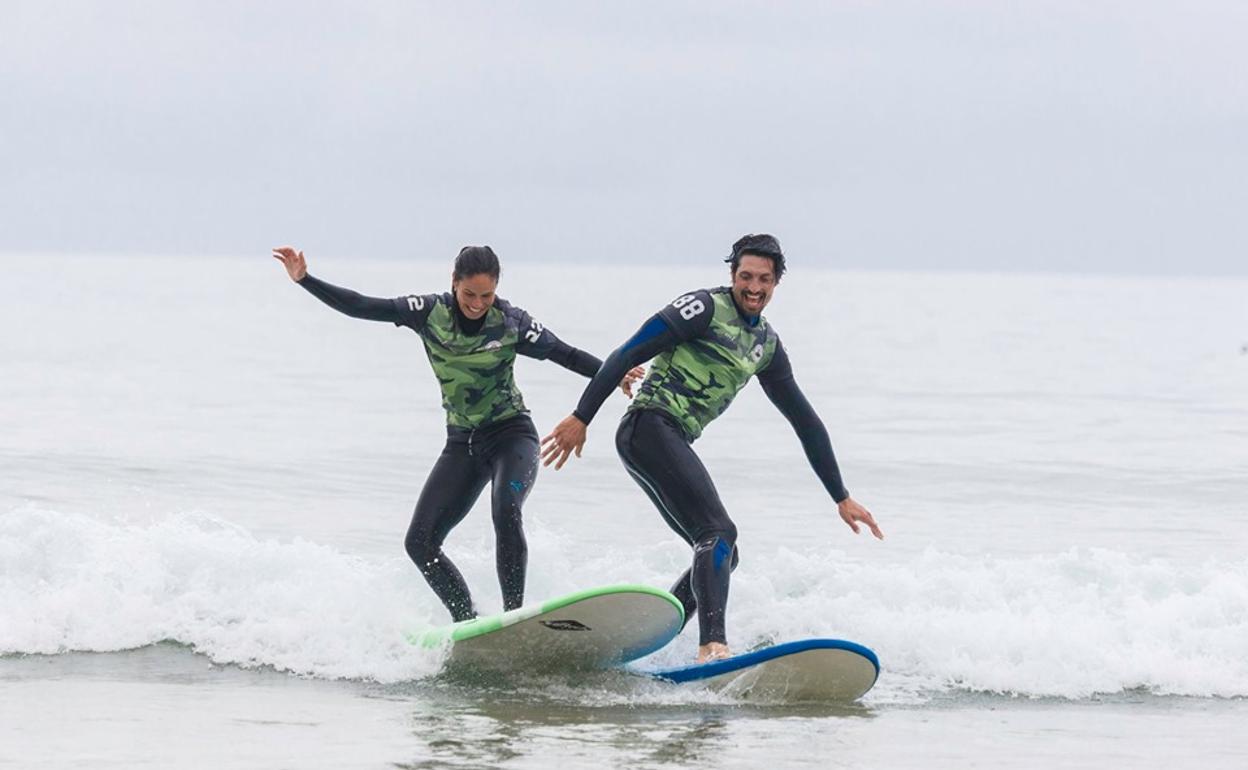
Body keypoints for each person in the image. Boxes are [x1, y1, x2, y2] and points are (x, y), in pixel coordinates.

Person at [540, 234, 883, 663]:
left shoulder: (766, 346)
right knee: (717, 533)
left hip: (668, 437)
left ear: (777, 283)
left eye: (764, 279)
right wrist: (582, 416)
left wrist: (840, 495)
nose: (753, 287)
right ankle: (712, 647)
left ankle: (648, 641)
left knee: (724, 552)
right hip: (648, 426)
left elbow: (805, 421)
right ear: (732, 275)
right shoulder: (702, 308)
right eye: (745, 276)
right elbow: (627, 351)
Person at [272, 245, 641, 622]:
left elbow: (567, 354)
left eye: (487, 295)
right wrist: (305, 280)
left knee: (506, 509)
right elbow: (361, 306)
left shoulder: (512, 322)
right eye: (469, 294)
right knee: (419, 543)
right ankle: (467, 621)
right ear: (453, 283)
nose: (478, 304)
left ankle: (513, 619)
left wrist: (614, 375)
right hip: (461, 444)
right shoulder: (428, 312)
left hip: (512, 436)